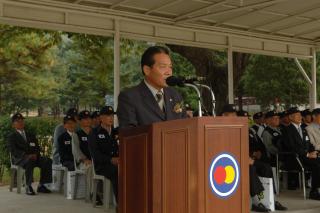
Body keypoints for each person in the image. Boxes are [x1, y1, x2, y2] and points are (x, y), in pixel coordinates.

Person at [117, 46, 187, 128]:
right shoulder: (130, 97)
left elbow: (186, 125)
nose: (168, 72)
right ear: (147, 70)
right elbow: (129, 135)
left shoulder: (175, 95)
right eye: (163, 66)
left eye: (170, 67)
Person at [7, 113, 52, 195]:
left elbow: (37, 147)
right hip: (20, 159)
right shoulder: (12, 136)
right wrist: (26, 156)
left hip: (33, 157)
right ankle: (28, 186)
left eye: (22, 121)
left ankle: (42, 185)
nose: (21, 123)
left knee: (47, 160)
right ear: (13, 125)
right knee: (29, 161)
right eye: (18, 121)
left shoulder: (31, 135)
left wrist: (35, 154)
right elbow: (13, 150)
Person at [283, 107, 320, 200]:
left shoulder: (303, 129)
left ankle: (316, 188)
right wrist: (307, 154)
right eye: (297, 116)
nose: (300, 117)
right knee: (317, 164)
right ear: (291, 117)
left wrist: (313, 151)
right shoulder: (287, 130)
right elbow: (291, 146)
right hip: (295, 158)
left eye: (300, 115)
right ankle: (314, 192)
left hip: (305, 157)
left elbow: (308, 143)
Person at [89, 106, 119, 201]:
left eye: (112, 116)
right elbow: (95, 154)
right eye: (108, 116)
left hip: (118, 163)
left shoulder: (117, 132)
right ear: (101, 118)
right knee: (116, 171)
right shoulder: (94, 133)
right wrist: (110, 159)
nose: (111, 118)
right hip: (102, 166)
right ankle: (121, 203)